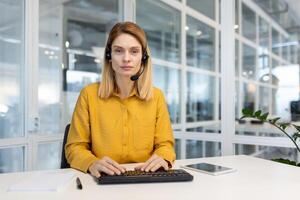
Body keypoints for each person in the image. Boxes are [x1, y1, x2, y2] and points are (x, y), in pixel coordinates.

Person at [65, 21, 175, 178]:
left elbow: (165, 145)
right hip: (102, 180)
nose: (126, 58)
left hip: (146, 179)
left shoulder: (156, 97)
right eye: (118, 51)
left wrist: (163, 157)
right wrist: (90, 162)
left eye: (134, 51)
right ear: (109, 56)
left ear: (143, 58)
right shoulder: (88, 95)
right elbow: (74, 147)